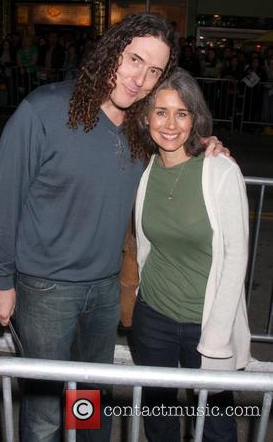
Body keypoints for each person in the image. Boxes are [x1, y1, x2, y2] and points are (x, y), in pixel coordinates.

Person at [0, 14, 227, 442]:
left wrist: (203, 143)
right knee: (44, 412)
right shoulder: (43, 109)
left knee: (91, 403)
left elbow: (175, 139)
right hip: (45, 290)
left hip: (105, 289)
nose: (141, 79)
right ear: (110, 51)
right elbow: (3, 198)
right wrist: (2, 279)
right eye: (134, 60)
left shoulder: (139, 128)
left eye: (154, 71)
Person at [131, 67, 251, 442]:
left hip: (206, 321)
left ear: (194, 118)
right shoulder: (143, 168)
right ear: (146, 117)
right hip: (152, 318)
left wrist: (216, 337)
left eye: (181, 113)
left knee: (216, 422)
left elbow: (236, 258)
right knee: (159, 416)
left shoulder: (220, 171)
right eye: (161, 112)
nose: (170, 124)